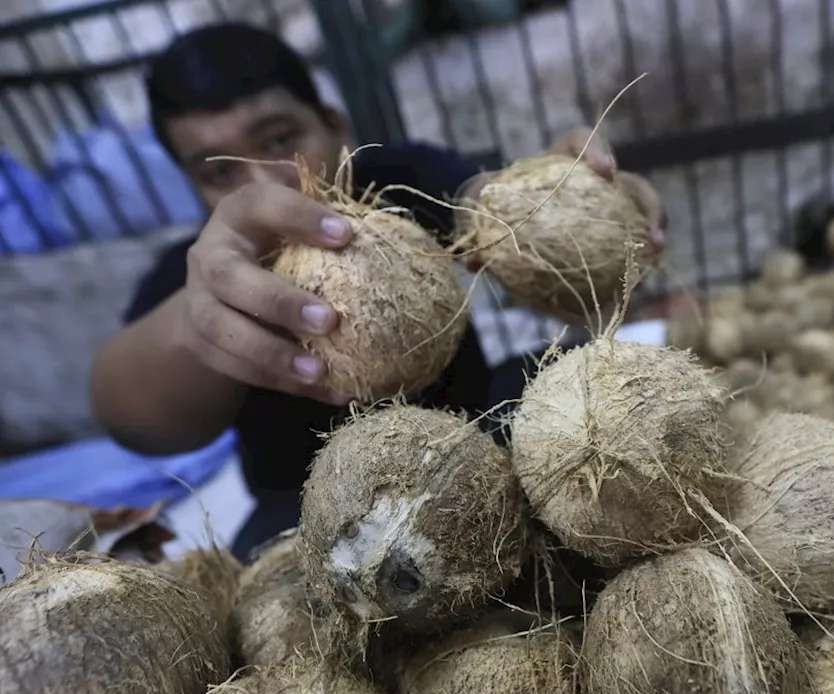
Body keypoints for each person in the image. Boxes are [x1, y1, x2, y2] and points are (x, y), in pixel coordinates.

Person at [89, 22, 666, 560]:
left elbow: (482, 202)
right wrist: (196, 322)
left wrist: (564, 201)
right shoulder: (201, 268)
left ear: (337, 127)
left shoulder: (398, 179)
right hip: (308, 503)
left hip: (477, 436)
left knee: (586, 394)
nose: (263, 184)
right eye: (221, 173)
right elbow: (126, 415)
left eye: (281, 138)